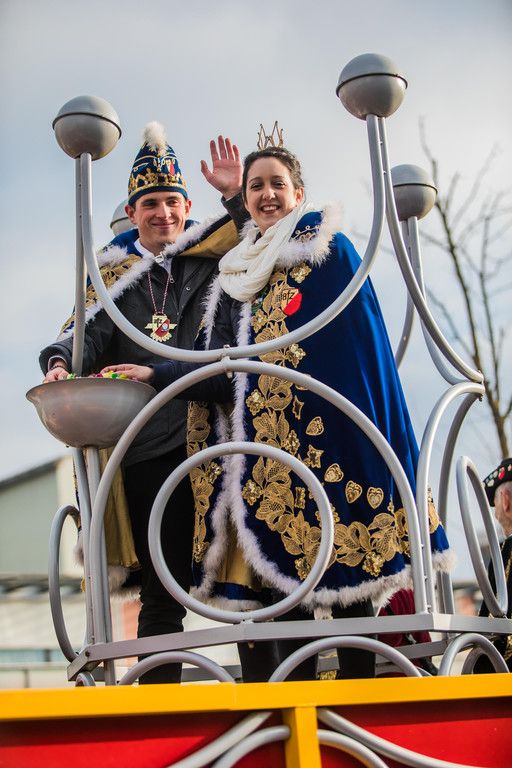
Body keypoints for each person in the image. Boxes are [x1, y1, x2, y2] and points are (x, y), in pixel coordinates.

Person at [105, 144, 452, 681]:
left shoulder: (327, 252)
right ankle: (289, 712)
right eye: (256, 186)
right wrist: (157, 375)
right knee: (280, 598)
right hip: (270, 462)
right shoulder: (233, 276)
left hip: (336, 443)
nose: (267, 195)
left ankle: (356, 702)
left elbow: (355, 354)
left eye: (276, 184)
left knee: (349, 582)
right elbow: (222, 372)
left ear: (299, 194)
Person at [40, 122, 245, 684]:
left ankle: (269, 688)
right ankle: (158, 699)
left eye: (172, 202)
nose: (162, 213)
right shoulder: (112, 278)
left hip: (220, 443)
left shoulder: (211, 259)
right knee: (163, 591)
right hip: (152, 448)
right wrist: (58, 363)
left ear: (188, 208)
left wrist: (234, 194)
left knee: (251, 580)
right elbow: (78, 335)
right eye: (150, 204)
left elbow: (259, 240)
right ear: (132, 214)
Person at [474, 458, 512, 672]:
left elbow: (494, 635)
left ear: (505, 501)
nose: (496, 513)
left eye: (495, 503)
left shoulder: (506, 552)